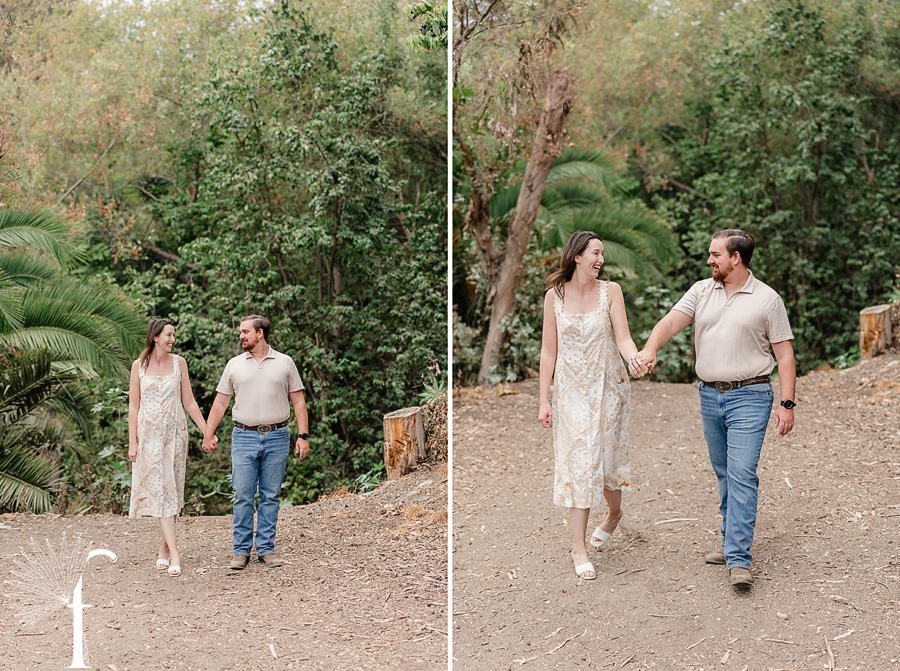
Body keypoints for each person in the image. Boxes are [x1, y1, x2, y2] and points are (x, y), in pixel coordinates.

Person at [637, 229, 796, 587]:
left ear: (735, 258)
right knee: (725, 472)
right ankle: (730, 539)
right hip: (710, 396)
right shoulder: (701, 290)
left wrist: (787, 403)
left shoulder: (768, 299)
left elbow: (784, 354)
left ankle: (738, 559)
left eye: (715, 255)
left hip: (751, 395)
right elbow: (670, 323)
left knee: (742, 473)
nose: (710, 260)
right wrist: (650, 349)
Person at [538, 231, 648, 580]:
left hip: (609, 388)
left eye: (602, 254)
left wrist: (635, 360)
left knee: (608, 462)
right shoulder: (553, 297)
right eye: (595, 253)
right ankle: (578, 547)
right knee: (581, 464)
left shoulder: (611, 292)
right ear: (578, 257)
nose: (601, 259)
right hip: (570, 393)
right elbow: (548, 351)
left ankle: (614, 514)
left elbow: (624, 338)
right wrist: (544, 399)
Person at [202, 315, 310, 570]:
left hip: (278, 435)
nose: (241, 336)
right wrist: (209, 433)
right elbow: (220, 402)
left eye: (245, 332)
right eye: (241, 332)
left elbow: (298, 401)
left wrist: (303, 436)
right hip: (244, 436)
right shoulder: (234, 365)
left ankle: (266, 549)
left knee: (271, 495)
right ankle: (240, 551)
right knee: (242, 495)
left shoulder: (285, 362)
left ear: (260, 333)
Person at [128, 318, 210, 578]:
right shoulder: (138, 366)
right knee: (161, 491)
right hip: (149, 438)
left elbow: (190, 402)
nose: (172, 339)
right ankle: (175, 553)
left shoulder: (179, 363)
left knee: (171, 489)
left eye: (173, 335)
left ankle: (164, 547)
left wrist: (207, 431)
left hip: (176, 436)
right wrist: (132, 441)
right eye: (168, 335)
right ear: (155, 337)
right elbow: (133, 406)